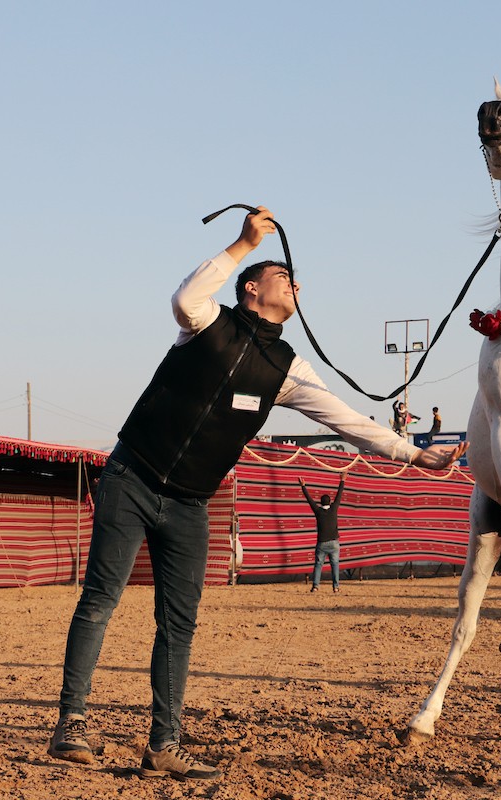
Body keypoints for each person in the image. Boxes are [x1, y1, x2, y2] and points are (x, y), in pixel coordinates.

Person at [47, 207, 468, 781]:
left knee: (179, 624)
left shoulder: (287, 368)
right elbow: (186, 296)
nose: (297, 285)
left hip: (191, 504)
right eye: (284, 276)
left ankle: (163, 746)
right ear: (252, 289)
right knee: (101, 600)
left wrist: (413, 453)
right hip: (132, 477)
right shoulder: (205, 322)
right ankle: (71, 724)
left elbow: (348, 421)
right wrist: (243, 243)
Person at [300, 474, 345, 593]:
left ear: (320, 502)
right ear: (330, 502)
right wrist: (342, 480)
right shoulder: (334, 509)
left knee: (318, 565)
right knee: (335, 565)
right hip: (334, 542)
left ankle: (315, 586)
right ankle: (336, 587)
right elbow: (339, 495)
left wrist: (303, 486)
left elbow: (309, 500)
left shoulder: (318, 511)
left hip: (322, 543)